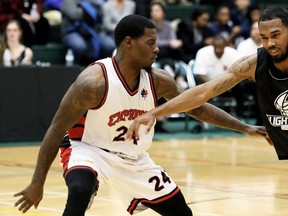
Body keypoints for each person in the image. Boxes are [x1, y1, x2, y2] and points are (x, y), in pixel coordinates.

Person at [13, 14, 267, 216]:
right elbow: (56, 130)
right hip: (88, 149)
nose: (157, 49)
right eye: (151, 43)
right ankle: (89, 185)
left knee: (182, 212)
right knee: (79, 191)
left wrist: (244, 127)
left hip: (134, 159)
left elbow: (197, 108)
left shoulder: (159, 81)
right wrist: (38, 183)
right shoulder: (93, 82)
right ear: (129, 43)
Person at [127, 6, 288, 159]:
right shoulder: (252, 65)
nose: (270, 43)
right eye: (264, 38)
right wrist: (154, 113)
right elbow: (202, 93)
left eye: (276, 35)